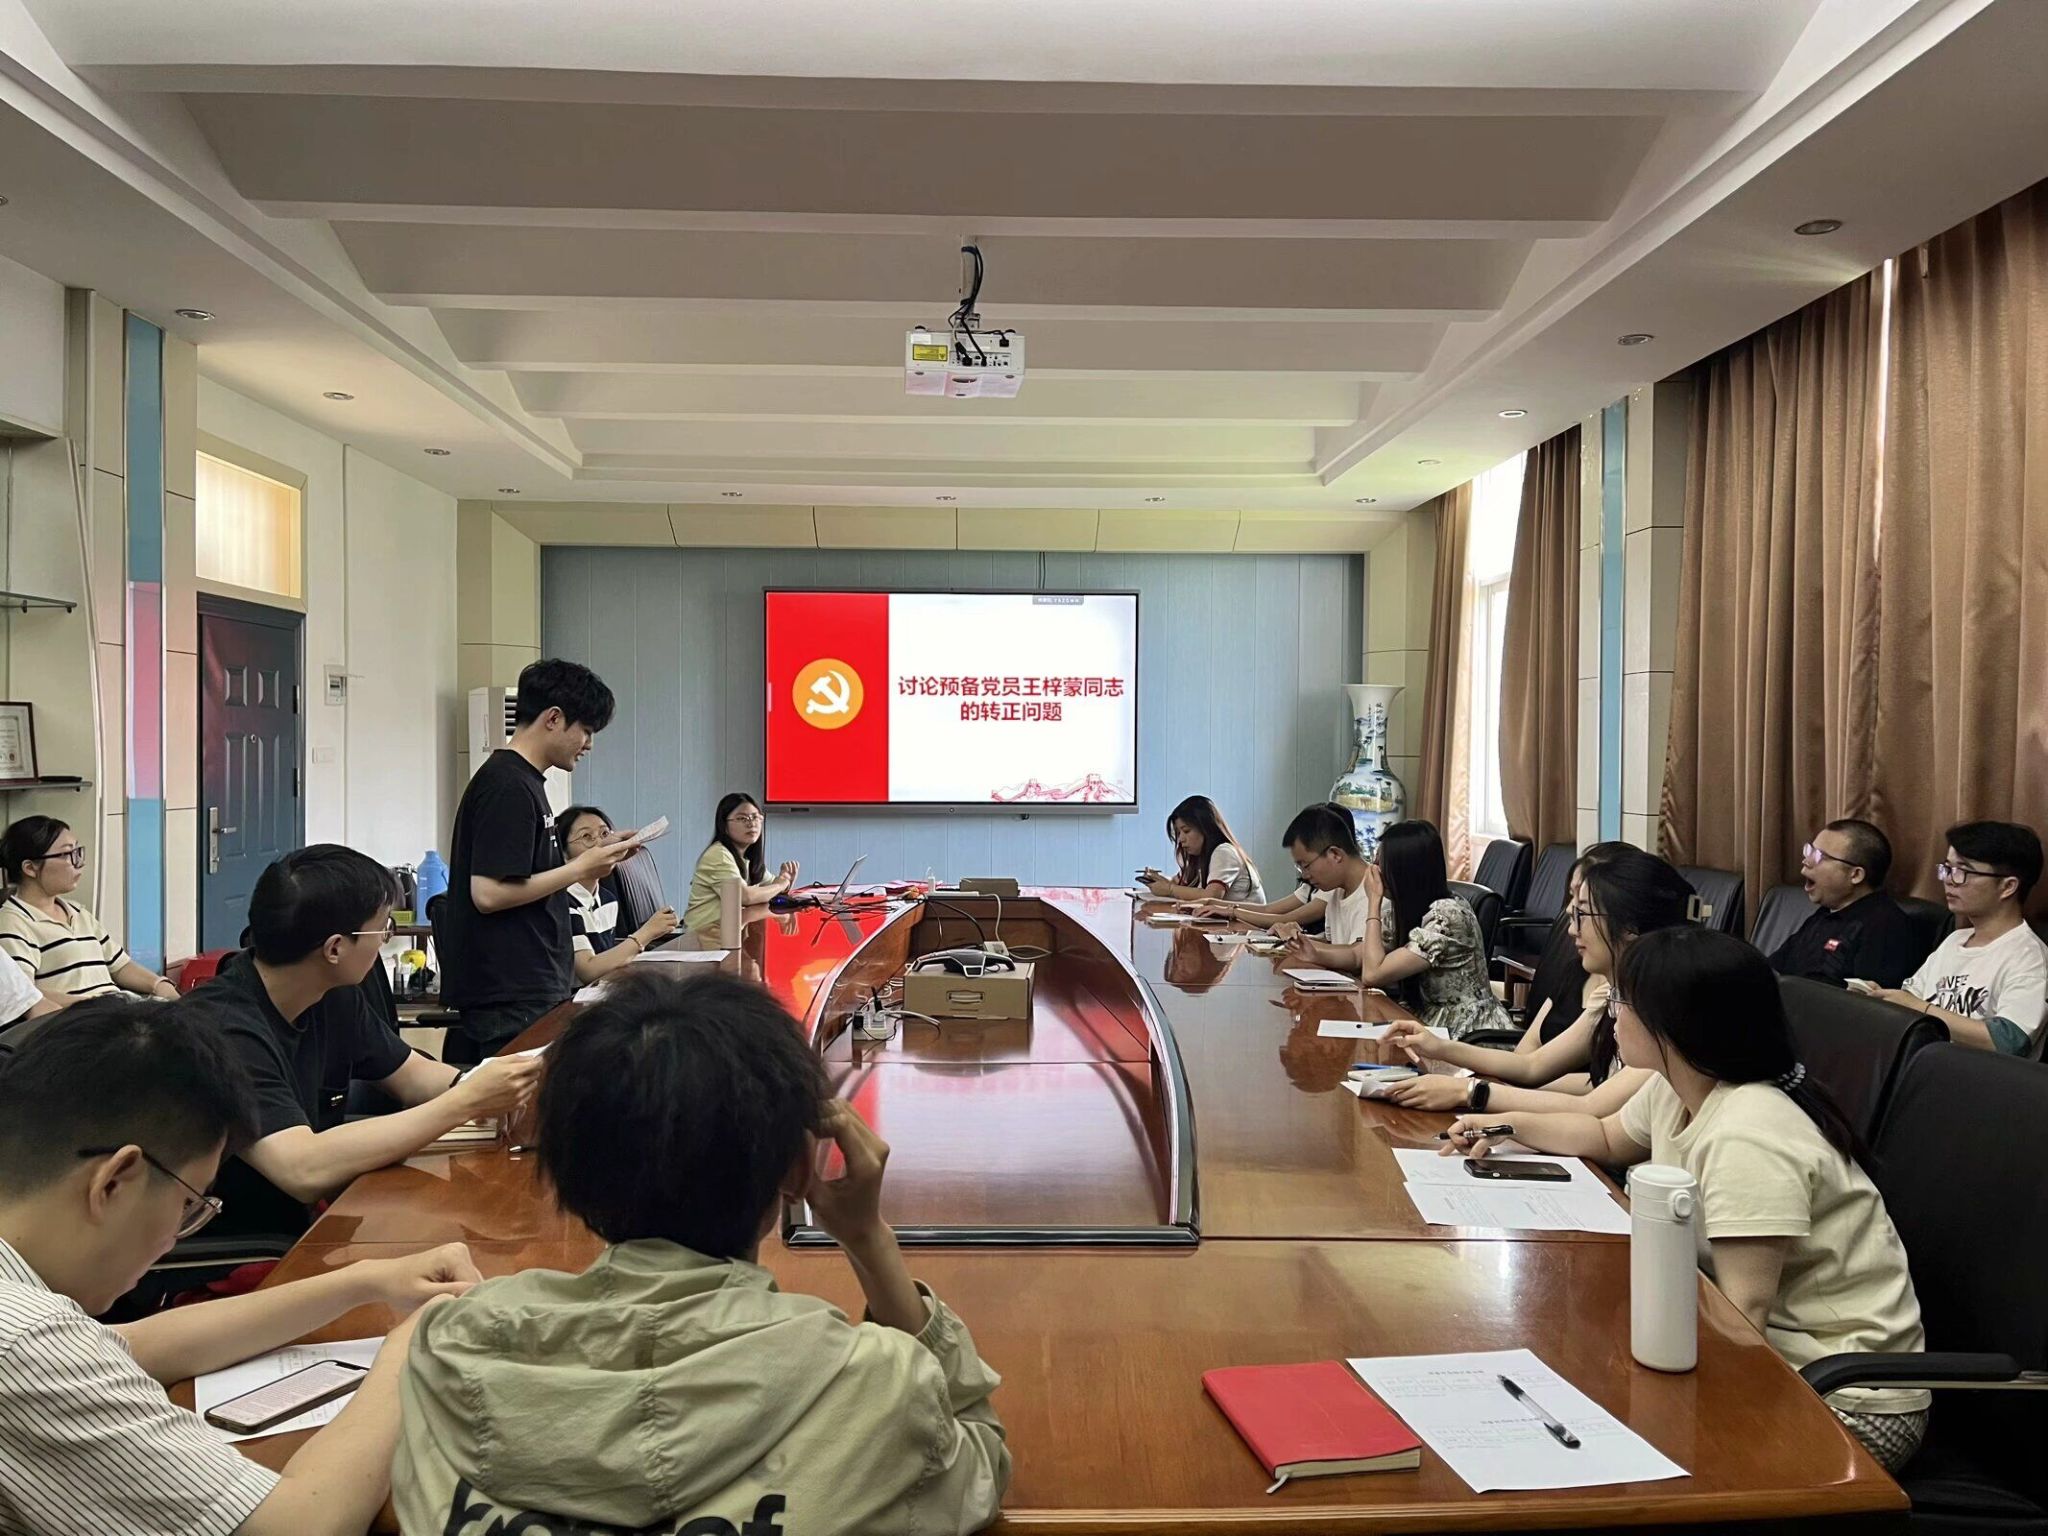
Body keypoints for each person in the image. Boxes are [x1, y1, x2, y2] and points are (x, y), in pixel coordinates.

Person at [392, 969, 1011, 1535]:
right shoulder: (879, 1390)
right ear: (799, 1168)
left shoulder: (450, 1353)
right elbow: (977, 1459)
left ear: (565, 1171)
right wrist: (868, 1237)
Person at [1444, 927, 1929, 1471]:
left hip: (1846, 1400)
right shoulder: (1679, 1085)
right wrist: (1506, 1125)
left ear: (1674, 1023)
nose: (1612, 1014)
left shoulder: (1750, 1133)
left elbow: (1744, 1319)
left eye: (1623, 1001)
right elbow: (1605, 1136)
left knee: (1596, 1449)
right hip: (1778, 1361)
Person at [0, 997, 486, 1536]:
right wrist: (413, 1352)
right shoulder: (26, 1343)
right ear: (115, 1182)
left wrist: (365, 1280)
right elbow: (302, 1525)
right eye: (189, 1204)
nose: (175, 1237)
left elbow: (137, 1345)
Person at [176, 846, 543, 1240]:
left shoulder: (329, 993)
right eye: (383, 928)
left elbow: (412, 1075)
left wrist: (494, 1088)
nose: (386, 939)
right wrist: (467, 1101)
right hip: (242, 1244)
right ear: (334, 948)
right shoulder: (221, 1031)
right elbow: (301, 1170)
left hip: (305, 1224)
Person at [1384, 848, 1695, 1115]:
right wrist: (1438, 1047)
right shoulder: (1612, 995)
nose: (1571, 928)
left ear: (1628, 927)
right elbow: (1533, 1066)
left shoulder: (1666, 1017)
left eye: (1582, 914)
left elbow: (1595, 1111)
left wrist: (1469, 1092)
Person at [442, 658, 635, 1053]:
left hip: (530, 988)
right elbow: (488, 894)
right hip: (510, 996)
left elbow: (527, 874)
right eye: (586, 730)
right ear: (553, 718)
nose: (589, 744)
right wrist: (579, 868)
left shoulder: (525, 781)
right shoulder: (507, 785)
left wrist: (595, 855)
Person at [1318, 819, 1507, 1039]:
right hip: (1426, 1021)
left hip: (1465, 1033)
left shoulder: (1447, 917)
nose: (1373, 870)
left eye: (1380, 863)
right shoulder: (1407, 908)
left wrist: (1373, 902)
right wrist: (1312, 952)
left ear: (1403, 871)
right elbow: (1360, 955)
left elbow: (1372, 974)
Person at [1870, 820, 2048, 1054]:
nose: (1949, 880)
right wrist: (1880, 997)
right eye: (1947, 869)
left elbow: (2008, 1040)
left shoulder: (2029, 957)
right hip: (1925, 1063)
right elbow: (1911, 998)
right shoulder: (1955, 940)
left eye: (1963, 871)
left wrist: (1921, 1009)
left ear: (2008, 887)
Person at [0, 816, 179, 1007]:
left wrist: (160, 985)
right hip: (84, 1018)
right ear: (30, 868)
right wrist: (94, 1006)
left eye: (77, 852)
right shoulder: (13, 923)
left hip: (116, 1009)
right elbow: (25, 995)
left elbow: (120, 966)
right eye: (67, 854)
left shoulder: (77, 912)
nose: (79, 863)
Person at [1768, 819, 1925, 989]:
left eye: (1819, 856)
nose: (1806, 861)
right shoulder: (1825, 913)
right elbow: (1773, 969)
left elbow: (1866, 999)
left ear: (1855, 875)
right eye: (1809, 851)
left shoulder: (1885, 926)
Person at [1511, 841, 1633, 1052]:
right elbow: (1527, 1053)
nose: (1570, 910)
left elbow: (1534, 1066)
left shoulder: (1627, 998)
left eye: (1582, 906)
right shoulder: (1575, 971)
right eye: (1571, 895)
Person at [555, 805, 679, 985]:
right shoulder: (563, 902)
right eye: (587, 836)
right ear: (563, 854)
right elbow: (588, 971)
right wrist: (646, 933)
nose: (601, 844)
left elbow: (606, 961)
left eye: (605, 834)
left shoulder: (607, 899)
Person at [1270, 804, 1381, 965]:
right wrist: (1295, 939)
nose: (1305, 875)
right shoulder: (1337, 890)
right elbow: (1332, 943)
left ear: (1335, 854)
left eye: (1306, 865)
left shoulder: (1375, 891)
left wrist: (1305, 945)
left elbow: (1358, 955)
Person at [684, 793, 798, 934]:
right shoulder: (718, 855)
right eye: (742, 818)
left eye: (755, 817)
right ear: (724, 826)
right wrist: (781, 884)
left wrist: (785, 880)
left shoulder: (747, 857)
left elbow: (769, 889)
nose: (751, 823)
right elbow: (744, 896)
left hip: (726, 934)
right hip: (700, 939)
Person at [1140, 796, 1265, 903]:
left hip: (1245, 924)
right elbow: (1177, 882)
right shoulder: (1200, 855)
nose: (1181, 839)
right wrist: (1157, 879)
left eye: (1186, 831)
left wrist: (1169, 889)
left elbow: (1212, 896)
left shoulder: (1224, 852)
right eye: (1178, 833)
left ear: (1206, 828)